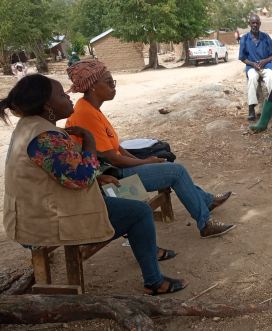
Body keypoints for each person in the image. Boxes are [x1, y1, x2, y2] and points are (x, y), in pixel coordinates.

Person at [1, 74, 187, 295]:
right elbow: (81, 178)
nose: (69, 97)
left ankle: (149, 248)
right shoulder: (45, 137)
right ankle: (154, 281)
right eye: (62, 95)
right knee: (140, 211)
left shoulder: (30, 126)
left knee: (124, 195)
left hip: (33, 215)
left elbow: (56, 169)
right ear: (47, 104)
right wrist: (88, 140)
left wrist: (98, 176)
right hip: (46, 222)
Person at [64, 60, 235, 239]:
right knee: (176, 171)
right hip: (110, 178)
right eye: (109, 82)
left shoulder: (92, 109)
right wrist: (144, 162)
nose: (114, 86)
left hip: (115, 169)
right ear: (92, 86)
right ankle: (206, 222)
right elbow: (113, 158)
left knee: (166, 162)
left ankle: (206, 202)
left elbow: (115, 147)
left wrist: (144, 162)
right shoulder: (86, 114)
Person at [239, 14, 272, 121]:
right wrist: (252, 64)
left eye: (257, 23)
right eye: (253, 23)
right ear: (249, 24)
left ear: (260, 24)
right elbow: (242, 58)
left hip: (266, 66)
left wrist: (265, 61)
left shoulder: (266, 37)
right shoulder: (244, 38)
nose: (255, 25)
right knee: (251, 79)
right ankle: (251, 108)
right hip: (252, 67)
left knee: (271, 78)